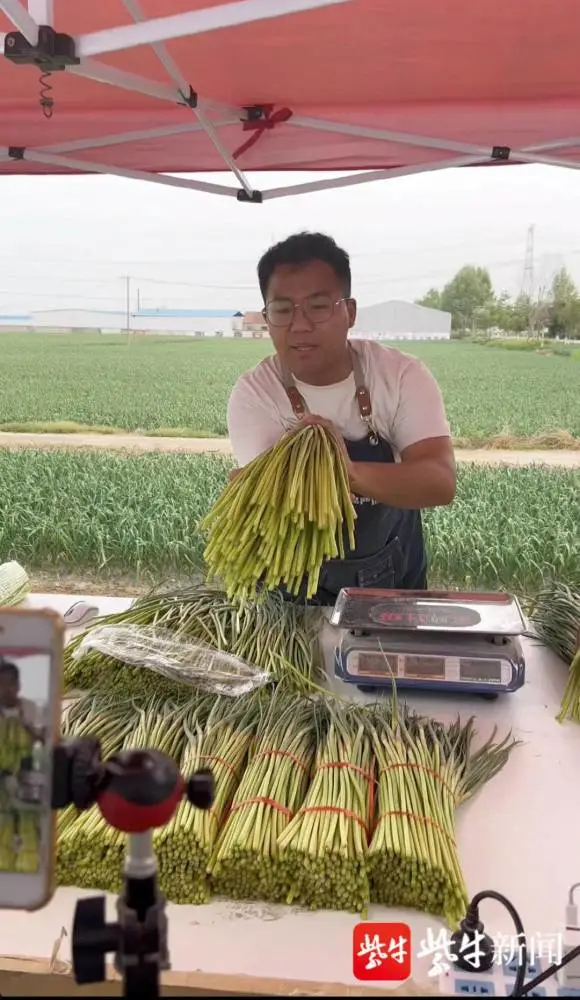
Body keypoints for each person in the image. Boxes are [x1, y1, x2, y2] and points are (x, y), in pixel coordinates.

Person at [227, 232, 456, 605]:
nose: (299, 325)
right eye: (283, 310)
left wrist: (341, 471)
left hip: (391, 583)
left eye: (318, 306)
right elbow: (272, 511)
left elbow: (439, 482)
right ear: (267, 318)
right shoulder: (255, 393)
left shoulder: (399, 376)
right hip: (293, 579)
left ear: (349, 312)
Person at [0, 660, 44, 742]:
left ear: (18, 686)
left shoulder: (31, 708)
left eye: (10, 683)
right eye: (1, 684)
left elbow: (42, 740)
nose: (5, 689)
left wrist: (28, 729)